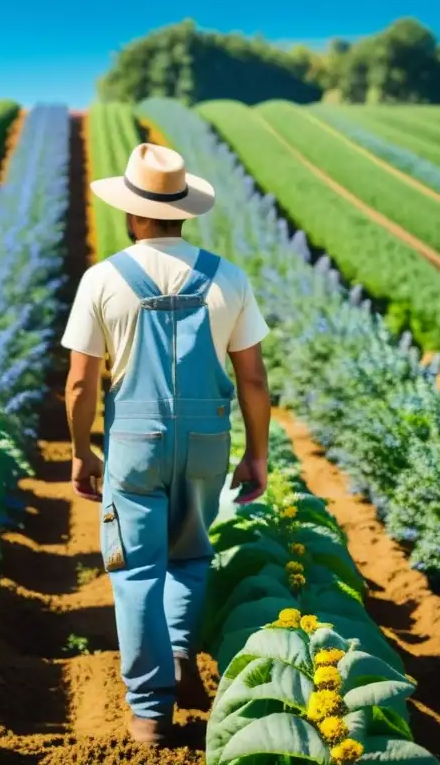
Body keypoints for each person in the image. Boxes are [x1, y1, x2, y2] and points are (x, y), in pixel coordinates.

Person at [61, 142, 271, 745]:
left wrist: (81, 449)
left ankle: (151, 709)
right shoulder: (228, 277)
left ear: (133, 213)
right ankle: (181, 656)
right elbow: (252, 378)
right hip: (208, 439)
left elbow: (80, 382)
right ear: (184, 210)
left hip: (135, 440)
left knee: (134, 571)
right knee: (190, 554)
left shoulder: (103, 280)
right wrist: (257, 453)